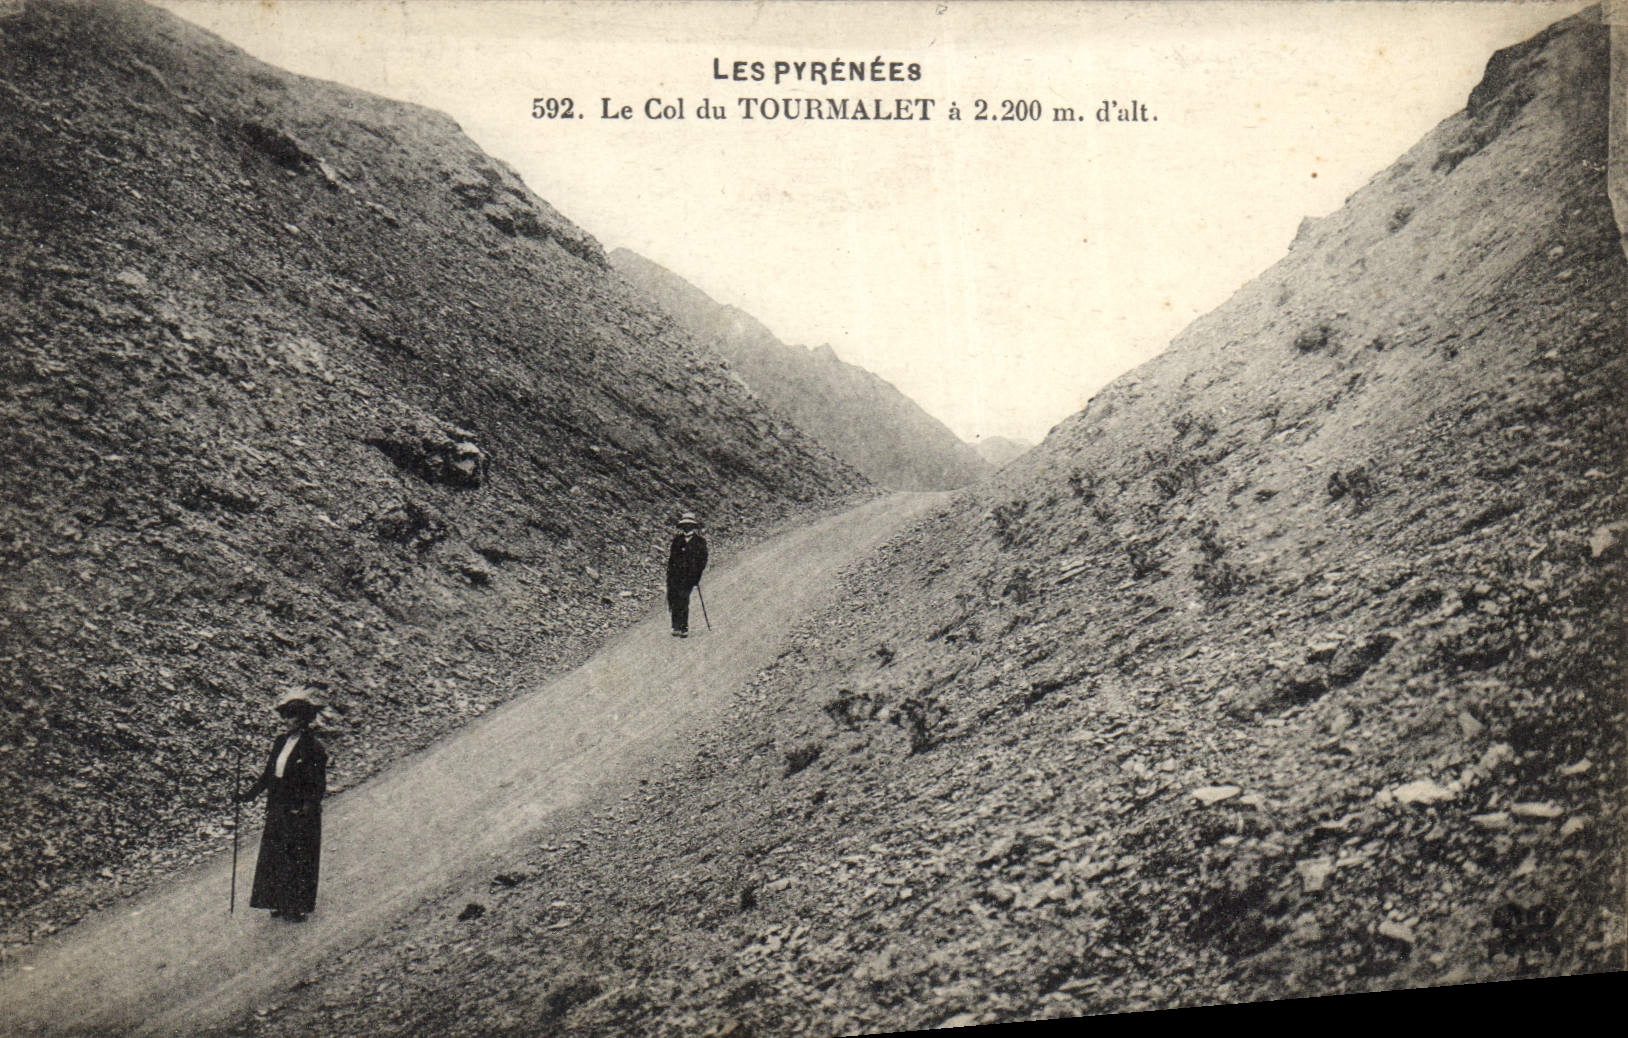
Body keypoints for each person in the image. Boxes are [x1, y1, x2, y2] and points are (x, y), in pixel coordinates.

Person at [237, 687, 328, 922]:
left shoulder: (313, 747)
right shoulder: (280, 742)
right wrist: (247, 796)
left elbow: (317, 784)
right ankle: (275, 901)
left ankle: (295, 906)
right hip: (279, 807)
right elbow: (269, 774)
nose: (288, 720)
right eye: (286, 715)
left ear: (304, 719)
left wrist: (307, 807)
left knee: (297, 857)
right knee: (275, 855)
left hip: (299, 809)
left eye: (294, 716)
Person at [666, 511, 708, 637]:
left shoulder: (700, 542)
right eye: (685, 525)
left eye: (689, 525)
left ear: (693, 527)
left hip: (689, 577)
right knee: (674, 600)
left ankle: (683, 627)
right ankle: (675, 626)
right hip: (675, 576)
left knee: (683, 600)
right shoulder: (677, 541)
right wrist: (669, 574)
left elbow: (703, 560)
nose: (687, 527)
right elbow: (671, 559)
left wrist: (696, 577)